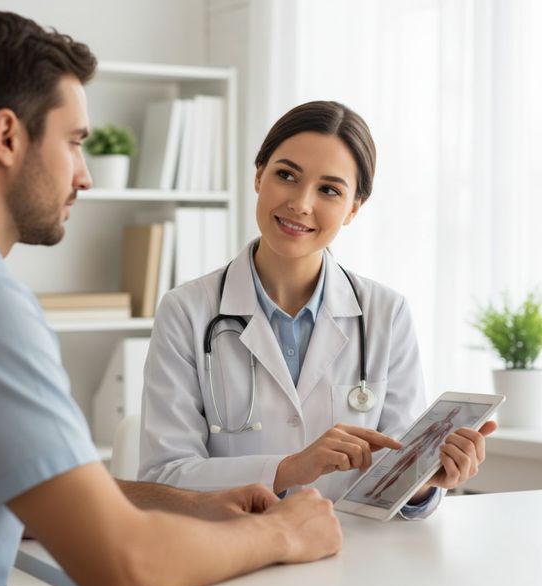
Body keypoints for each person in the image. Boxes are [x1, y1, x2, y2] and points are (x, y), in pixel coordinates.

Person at [0, 11, 342, 586]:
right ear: (6, 137)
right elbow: (123, 564)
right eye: (75, 142)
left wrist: (192, 506)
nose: (85, 176)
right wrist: (283, 533)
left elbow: (29, 494)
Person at [138, 100, 497, 518]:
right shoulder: (187, 312)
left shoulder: (386, 313)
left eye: (329, 189)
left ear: (354, 208)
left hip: (350, 558)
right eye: (286, 175)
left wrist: (424, 482)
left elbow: (398, 470)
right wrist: (288, 469)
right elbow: (163, 477)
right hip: (232, 554)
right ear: (259, 176)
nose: (301, 203)